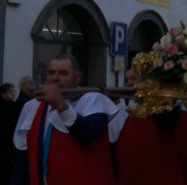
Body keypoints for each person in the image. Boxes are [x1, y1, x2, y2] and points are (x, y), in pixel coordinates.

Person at [12, 53, 118, 185]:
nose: (56, 78)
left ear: (77, 77)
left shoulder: (93, 99)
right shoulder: (32, 106)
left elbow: (88, 135)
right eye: (51, 73)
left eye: (63, 73)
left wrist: (61, 106)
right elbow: (22, 156)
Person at [109, 69, 185, 185]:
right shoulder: (127, 106)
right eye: (127, 80)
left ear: (147, 81)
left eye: (133, 78)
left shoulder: (164, 109)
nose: (129, 83)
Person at [0, 83, 18, 185]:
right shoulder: (2, 107)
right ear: (3, 94)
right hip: (4, 145)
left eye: (13, 91)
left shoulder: (9, 105)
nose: (13, 94)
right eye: (10, 92)